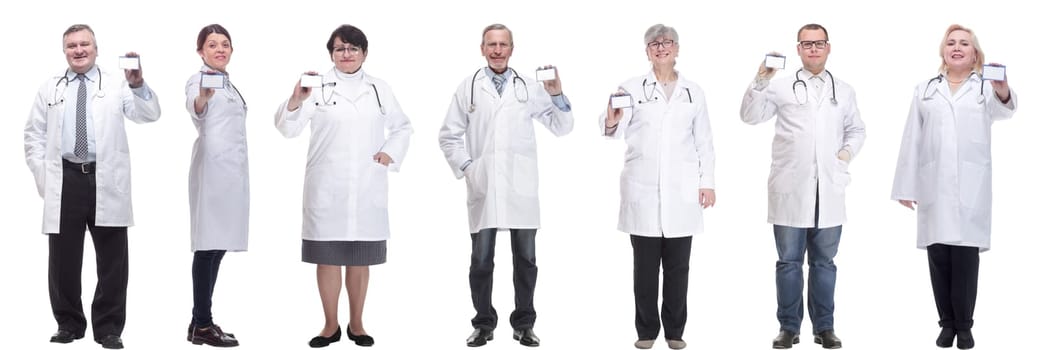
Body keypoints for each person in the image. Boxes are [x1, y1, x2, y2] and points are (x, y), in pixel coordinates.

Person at [274, 24, 412, 348]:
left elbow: (403, 127)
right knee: (328, 258)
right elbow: (287, 128)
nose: (346, 54)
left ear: (364, 52)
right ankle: (330, 325)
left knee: (360, 258)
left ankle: (358, 324)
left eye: (352, 48)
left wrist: (389, 153)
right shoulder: (316, 87)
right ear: (331, 54)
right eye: (339, 49)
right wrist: (296, 98)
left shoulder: (380, 88)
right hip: (328, 187)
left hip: (366, 187)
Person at [24, 24, 161, 350]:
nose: (79, 50)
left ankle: (109, 328)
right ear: (65, 51)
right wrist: (44, 175)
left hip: (105, 178)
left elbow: (149, 114)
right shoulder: (50, 87)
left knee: (113, 260)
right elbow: (33, 135)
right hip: (66, 178)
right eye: (71, 45)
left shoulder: (118, 84)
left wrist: (138, 84)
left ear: (96, 49)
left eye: (84, 44)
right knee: (63, 261)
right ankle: (68, 324)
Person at [439, 23, 574, 348]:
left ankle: (524, 324)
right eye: (491, 44)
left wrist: (556, 93)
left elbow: (563, 126)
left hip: (520, 186)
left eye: (503, 44)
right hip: (483, 187)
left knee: (526, 261)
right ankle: (484, 324)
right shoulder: (468, 87)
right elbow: (448, 135)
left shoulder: (528, 87)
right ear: (482, 49)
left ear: (512, 49)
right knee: (481, 261)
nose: (497, 50)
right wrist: (469, 168)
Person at [739, 23, 865, 350]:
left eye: (818, 43)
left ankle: (825, 328)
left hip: (830, 190)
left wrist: (844, 155)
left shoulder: (845, 90)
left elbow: (857, 130)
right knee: (789, 263)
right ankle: (787, 328)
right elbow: (749, 116)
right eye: (806, 44)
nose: (813, 49)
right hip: (790, 189)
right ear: (798, 49)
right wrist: (761, 78)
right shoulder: (779, 87)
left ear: (828, 47)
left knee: (824, 263)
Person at [891, 24, 1016, 350]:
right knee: (939, 258)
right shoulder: (925, 89)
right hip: (933, 185)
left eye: (964, 44)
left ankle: (964, 326)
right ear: (943, 51)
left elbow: (1005, 109)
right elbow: (911, 138)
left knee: (965, 259)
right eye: (951, 43)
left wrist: (1002, 87)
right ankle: (946, 324)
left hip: (970, 188)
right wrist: (906, 185)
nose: (957, 47)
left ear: (975, 54)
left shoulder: (985, 88)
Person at [601, 24, 716, 350]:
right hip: (644, 189)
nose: (661, 47)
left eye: (667, 42)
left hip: (683, 192)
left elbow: (704, 142)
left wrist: (707, 182)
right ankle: (647, 330)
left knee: (679, 268)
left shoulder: (694, 91)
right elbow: (614, 127)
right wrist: (611, 119)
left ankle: (675, 331)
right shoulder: (631, 87)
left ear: (677, 49)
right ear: (647, 51)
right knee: (645, 270)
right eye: (654, 43)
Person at [183, 23, 248, 348]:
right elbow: (196, 108)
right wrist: (202, 99)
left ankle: (200, 323)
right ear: (201, 52)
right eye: (212, 45)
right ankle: (203, 324)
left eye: (225, 44)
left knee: (217, 247)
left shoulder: (229, 83)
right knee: (207, 248)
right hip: (212, 172)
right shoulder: (200, 80)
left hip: (230, 174)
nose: (220, 49)